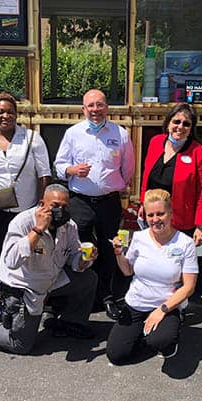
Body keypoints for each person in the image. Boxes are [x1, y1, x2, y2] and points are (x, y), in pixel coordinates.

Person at [0, 184, 98, 355]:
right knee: (20, 344)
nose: (61, 211)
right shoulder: (23, 222)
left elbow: (74, 257)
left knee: (88, 278)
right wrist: (38, 230)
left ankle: (69, 323)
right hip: (21, 289)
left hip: (49, 281)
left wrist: (84, 260)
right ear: (42, 203)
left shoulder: (68, 226)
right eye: (55, 206)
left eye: (65, 207)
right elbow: (11, 261)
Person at [54, 89, 135, 310]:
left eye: (99, 105)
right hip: (80, 201)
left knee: (110, 249)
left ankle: (105, 296)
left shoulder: (121, 134)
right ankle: (81, 295)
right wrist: (71, 169)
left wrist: (113, 185)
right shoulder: (73, 133)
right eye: (90, 106)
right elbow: (59, 166)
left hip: (109, 202)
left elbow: (128, 169)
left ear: (106, 107)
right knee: (80, 248)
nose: (95, 110)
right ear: (83, 109)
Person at [106, 189, 198, 364]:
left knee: (161, 340)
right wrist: (119, 254)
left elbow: (189, 286)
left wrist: (161, 310)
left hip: (166, 306)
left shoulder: (185, 243)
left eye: (160, 214)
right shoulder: (139, 237)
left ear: (170, 213)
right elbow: (127, 271)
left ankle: (167, 332)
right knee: (116, 355)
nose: (155, 219)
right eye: (150, 215)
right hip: (136, 303)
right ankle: (144, 332)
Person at [0, 92, 51, 268]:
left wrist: (41, 206)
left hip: (27, 209)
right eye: (0, 112)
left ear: (16, 114)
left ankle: (25, 291)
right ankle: (1, 291)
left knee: (28, 251)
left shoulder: (32, 138)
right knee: (0, 250)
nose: (5, 116)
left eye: (10, 112)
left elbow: (44, 174)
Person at [138, 103, 202, 246]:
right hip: (154, 217)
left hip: (181, 221)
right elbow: (146, 176)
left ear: (191, 129)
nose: (180, 127)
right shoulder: (155, 142)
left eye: (186, 124)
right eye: (176, 121)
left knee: (176, 265)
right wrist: (143, 203)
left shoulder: (200, 153)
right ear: (168, 123)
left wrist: (200, 225)